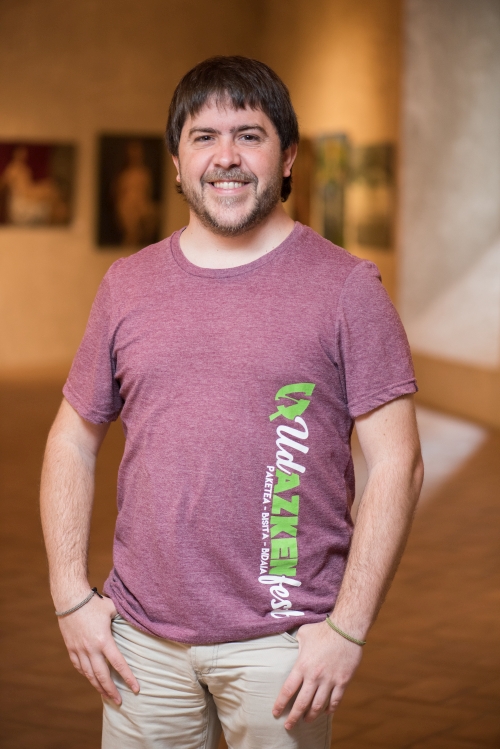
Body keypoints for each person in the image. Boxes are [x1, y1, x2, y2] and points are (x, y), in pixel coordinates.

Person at [41, 56, 423, 749]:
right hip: (140, 643)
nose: (226, 157)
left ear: (287, 156)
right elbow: (71, 438)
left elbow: (399, 463)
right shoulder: (127, 285)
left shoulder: (347, 288)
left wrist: (348, 628)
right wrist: (70, 596)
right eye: (204, 137)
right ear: (177, 161)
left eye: (249, 135)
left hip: (284, 644)